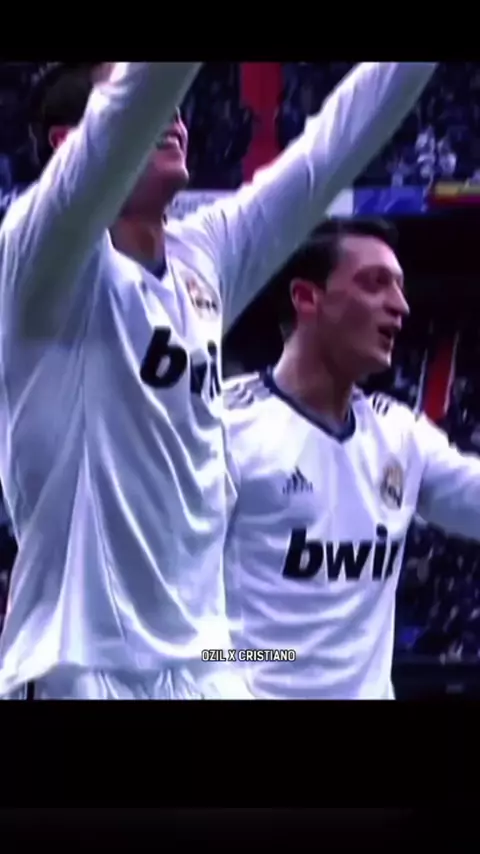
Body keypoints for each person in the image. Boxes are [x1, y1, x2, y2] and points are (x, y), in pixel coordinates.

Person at [0, 62, 436, 700]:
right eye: (145, 108)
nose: (174, 119)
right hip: (81, 665)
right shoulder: (40, 259)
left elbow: (331, 151)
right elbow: (141, 96)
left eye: (180, 111)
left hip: (203, 665)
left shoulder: (202, 256)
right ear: (70, 144)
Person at [223, 217, 480, 700]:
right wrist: (227, 668)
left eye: (400, 287)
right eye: (375, 283)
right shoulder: (223, 426)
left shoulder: (400, 435)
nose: (400, 306)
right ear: (307, 298)